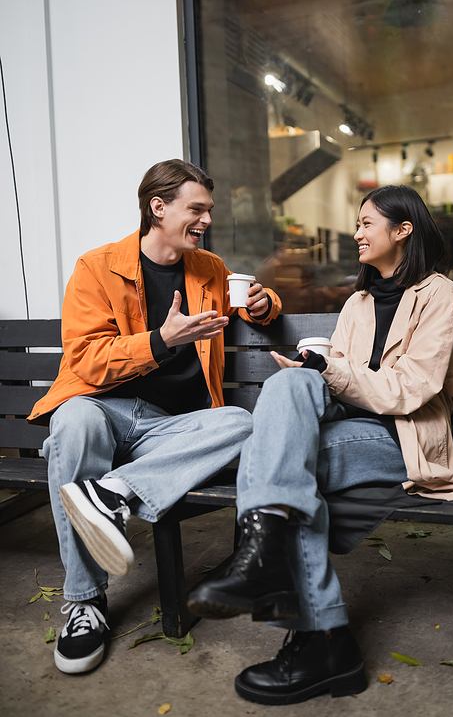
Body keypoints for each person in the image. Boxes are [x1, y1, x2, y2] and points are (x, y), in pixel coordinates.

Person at [188, 184, 453, 706]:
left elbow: (413, 389)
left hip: (401, 438)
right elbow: (338, 383)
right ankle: (319, 635)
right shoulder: (358, 302)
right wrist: (314, 374)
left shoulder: (439, 294)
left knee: (278, 461)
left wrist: (330, 371)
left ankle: (297, 606)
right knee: (287, 386)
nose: (356, 233)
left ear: (403, 229)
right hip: (349, 427)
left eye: (367, 223)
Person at [28, 159, 281, 675]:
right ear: (158, 207)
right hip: (106, 411)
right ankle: (84, 603)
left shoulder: (207, 268)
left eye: (208, 210)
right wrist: (161, 342)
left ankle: (110, 494)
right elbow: (87, 361)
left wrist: (263, 303)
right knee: (71, 426)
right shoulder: (96, 267)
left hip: (171, 431)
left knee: (240, 421)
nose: (207, 219)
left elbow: (252, 305)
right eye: (198, 209)